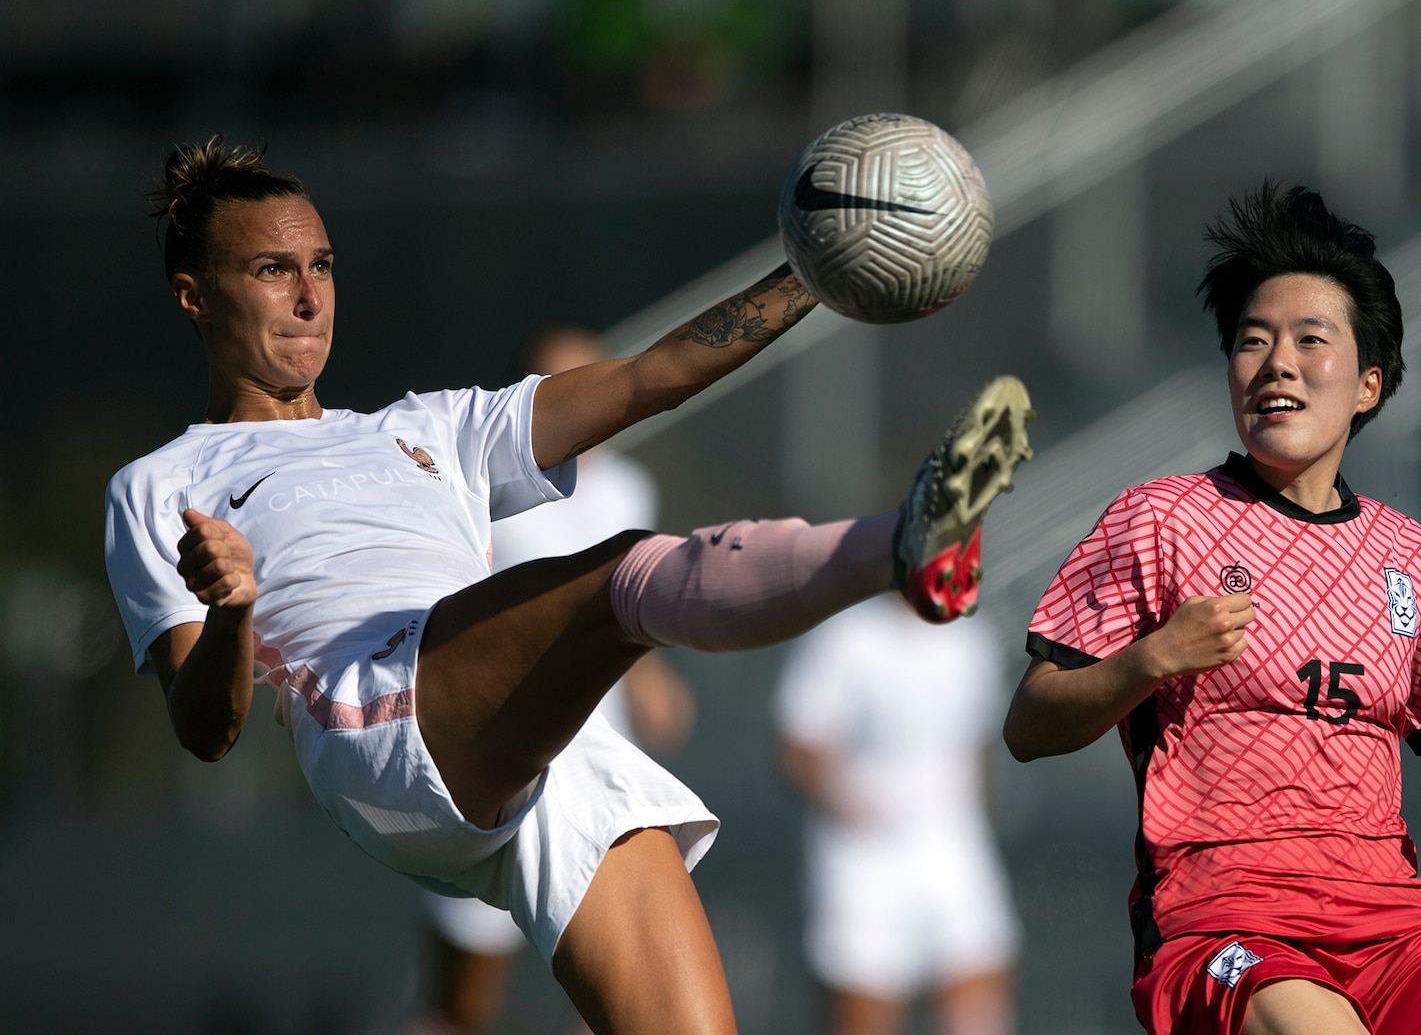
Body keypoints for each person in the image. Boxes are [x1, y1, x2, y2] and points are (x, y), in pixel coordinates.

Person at [103, 136, 1035, 1035]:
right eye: (273, 270)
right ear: (194, 297)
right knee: (619, 575)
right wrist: (233, 612)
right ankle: (897, 549)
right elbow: (206, 729)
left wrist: (819, 267)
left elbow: (650, 379)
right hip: (374, 717)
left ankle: (903, 547)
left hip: (546, 753)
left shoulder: (430, 424)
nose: (310, 297)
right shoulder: (160, 484)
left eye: (323, 265)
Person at [1003, 182, 1421, 1035]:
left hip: (1393, 927)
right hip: (1223, 921)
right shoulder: (1159, 518)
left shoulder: (1417, 562)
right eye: (1252, 341)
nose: (1275, 361)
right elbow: (1028, 727)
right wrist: (1151, 659)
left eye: (1311, 340)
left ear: (1367, 384)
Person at [415, 326, 696, 1035]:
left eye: (591, 373)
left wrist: (652, 677)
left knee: (613, 1005)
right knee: (464, 1006)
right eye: (559, 380)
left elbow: (619, 599)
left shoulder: (634, 487)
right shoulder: (477, 488)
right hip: (492, 767)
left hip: (598, 770)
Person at [775, 593, 1019, 1035]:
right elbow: (799, 745)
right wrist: (846, 804)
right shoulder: (844, 637)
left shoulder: (971, 640)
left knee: (979, 1005)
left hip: (954, 850)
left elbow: (979, 748)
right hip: (862, 860)